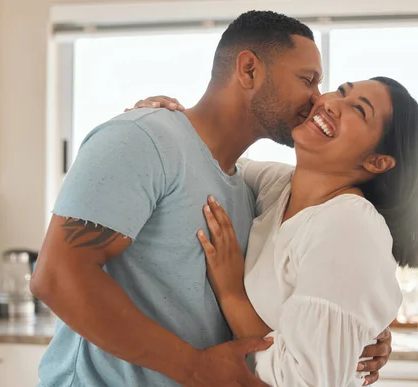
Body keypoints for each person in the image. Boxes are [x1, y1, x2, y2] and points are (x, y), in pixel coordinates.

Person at [30, 10, 392, 387]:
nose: (318, 99)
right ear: (249, 70)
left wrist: (354, 329)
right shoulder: (141, 138)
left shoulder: (251, 190)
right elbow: (56, 277)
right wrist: (194, 366)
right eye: (307, 80)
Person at [133, 76, 418, 386]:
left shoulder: (349, 226)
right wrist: (162, 120)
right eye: (341, 91)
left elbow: (302, 380)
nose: (331, 103)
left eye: (359, 109)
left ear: (377, 161)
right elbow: (209, 156)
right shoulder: (278, 188)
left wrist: (231, 293)